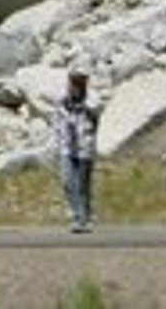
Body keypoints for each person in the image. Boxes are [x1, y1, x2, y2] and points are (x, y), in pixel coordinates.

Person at [55, 68, 101, 234]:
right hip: (67, 148)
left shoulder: (91, 102)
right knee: (67, 182)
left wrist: (84, 110)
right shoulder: (63, 103)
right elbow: (58, 123)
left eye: (73, 86)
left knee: (82, 185)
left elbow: (96, 120)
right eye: (69, 85)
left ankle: (85, 218)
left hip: (84, 149)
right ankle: (74, 216)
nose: (70, 89)